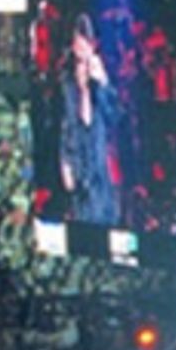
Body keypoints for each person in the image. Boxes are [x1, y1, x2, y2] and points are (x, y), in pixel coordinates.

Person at [56, 14, 126, 228]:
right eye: (77, 41)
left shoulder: (105, 73)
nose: (80, 47)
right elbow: (66, 124)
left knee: (104, 217)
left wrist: (103, 81)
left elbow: (116, 116)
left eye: (85, 41)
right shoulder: (67, 80)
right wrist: (65, 161)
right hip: (80, 159)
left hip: (101, 160)